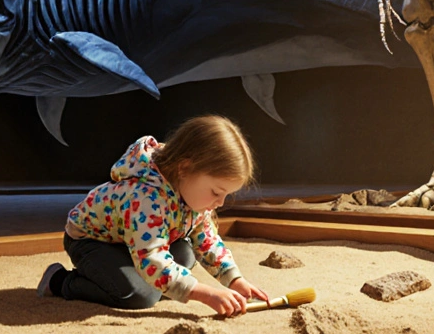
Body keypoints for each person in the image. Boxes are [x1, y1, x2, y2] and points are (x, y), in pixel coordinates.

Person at [37, 115, 269, 316]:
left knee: (185, 255)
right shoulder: (145, 197)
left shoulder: (192, 195)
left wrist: (235, 280)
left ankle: (144, 276)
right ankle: (60, 281)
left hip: (134, 243)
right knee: (141, 296)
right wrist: (205, 294)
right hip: (92, 243)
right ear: (185, 169)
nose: (220, 203)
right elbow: (151, 259)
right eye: (217, 192)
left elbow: (207, 242)